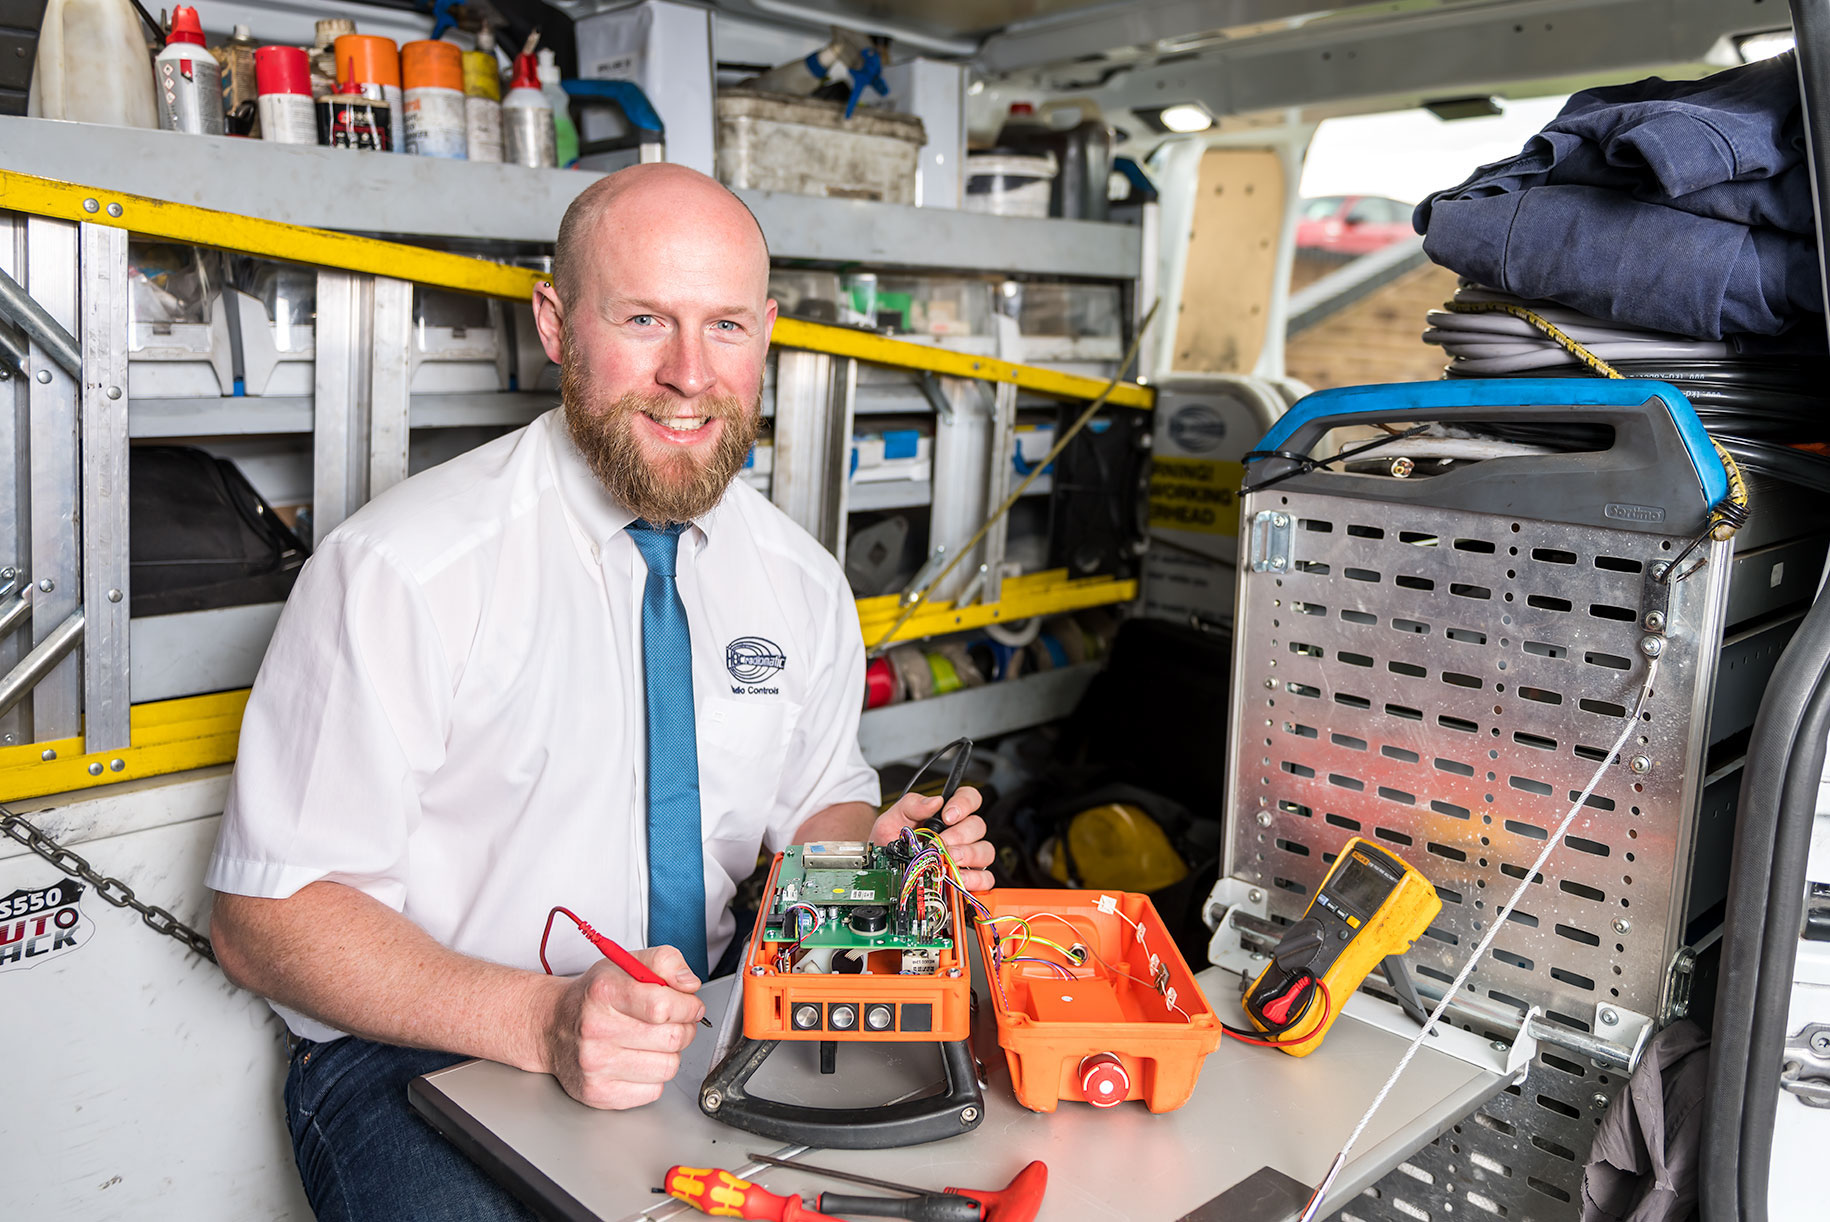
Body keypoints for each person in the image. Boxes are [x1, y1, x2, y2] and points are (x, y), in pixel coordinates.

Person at [205, 163, 994, 1222]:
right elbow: (266, 917)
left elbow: (817, 810)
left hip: (709, 1022)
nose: (688, 374)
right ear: (557, 324)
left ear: (766, 333)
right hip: (420, 1055)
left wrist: (873, 863)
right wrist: (542, 1021)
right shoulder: (404, 569)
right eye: (643, 319)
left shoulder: (800, 583)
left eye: (723, 327)